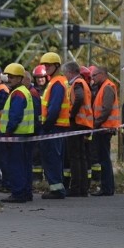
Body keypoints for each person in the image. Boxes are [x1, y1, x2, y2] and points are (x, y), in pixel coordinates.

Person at [0, 63, 36, 203]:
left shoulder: (19, 93)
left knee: (16, 165)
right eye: (8, 76)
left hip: (16, 135)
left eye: (13, 77)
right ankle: (26, 192)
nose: (9, 79)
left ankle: (18, 193)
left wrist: (8, 132)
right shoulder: (24, 91)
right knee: (25, 165)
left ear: (20, 78)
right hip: (24, 134)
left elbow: (15, 116)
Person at [39, 51, 69, 199]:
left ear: (56, 66)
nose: (46, 68)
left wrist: (47, 125)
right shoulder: (57, 81)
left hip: (54, 126)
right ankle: (57, 187)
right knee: (55, 158)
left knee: (52, 158)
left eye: (48, 65)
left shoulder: (57, 83)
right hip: (56, 126)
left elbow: (54, 107)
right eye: (45, 65)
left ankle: (57, 190)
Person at [64, 62, 93, 197]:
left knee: (75, 157)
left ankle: (76, 187)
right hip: (83, 123)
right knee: (80, 157)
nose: (64, 75)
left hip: (76, 123)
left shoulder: (77, 83)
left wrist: (71, 114)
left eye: (65, 73)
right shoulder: (81, 82)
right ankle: (82, 188)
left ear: (70, 72)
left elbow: (79, 98)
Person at [89, 65, 119, 196]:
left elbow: (106, 109)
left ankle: (107, 188)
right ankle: (107, 187)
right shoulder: (103, 87)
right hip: (103, 128)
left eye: (94, 75)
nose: (92, 78)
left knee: (104, 159)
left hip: (104, 128)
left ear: (102, 74)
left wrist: (95, 124)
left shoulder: (107, 87)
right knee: (104, 159)